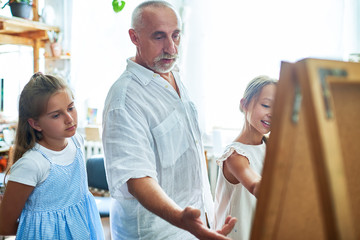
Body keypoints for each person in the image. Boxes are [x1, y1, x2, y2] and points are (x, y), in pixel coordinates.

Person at [102, 1, 236, 239]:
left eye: (176, 35)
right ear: (134, 37)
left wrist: (204, 219)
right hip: (156, 232)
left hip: (192, 225)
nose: (172, 48)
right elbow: (137, 178)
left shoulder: (174, 75)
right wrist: (180, 218)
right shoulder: (124, 99)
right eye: (159, 37)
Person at [0, 73, 104, 239]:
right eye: (56, 115)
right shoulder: (33, 164)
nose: (70, 119)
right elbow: (4, 225)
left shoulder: (76, 141)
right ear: (35, 123)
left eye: (71, 108)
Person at [213, 75, 277, 240]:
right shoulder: (235, 156)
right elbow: (256, 186)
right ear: (244, 104)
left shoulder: (270, 147)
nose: (273, 114)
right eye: (266, 105)